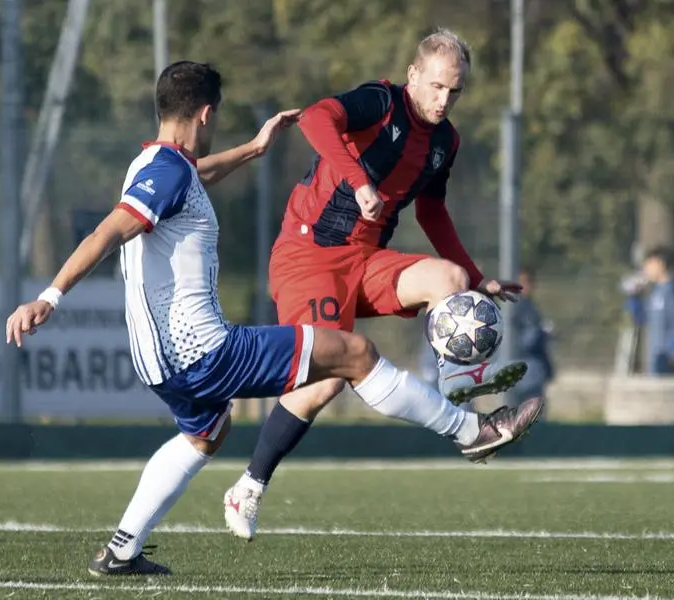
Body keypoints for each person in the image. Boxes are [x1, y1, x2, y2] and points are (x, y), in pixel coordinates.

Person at [4, 61, 544, 576]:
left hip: (158, 362)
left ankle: (123, 549)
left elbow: (193, 176)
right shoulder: (168, 173)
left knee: (206, 435)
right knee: (353, 355)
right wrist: (49, 297)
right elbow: (107, 232)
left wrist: (254, 149)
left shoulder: (154, 166)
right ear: (207, 114)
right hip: (205, 351)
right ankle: (470, 429)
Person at [223, 28, 539, 541]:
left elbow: (433, 211)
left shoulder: (445, 141)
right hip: (308, 255)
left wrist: (479, 278)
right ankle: (248, 486)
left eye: (454, 91)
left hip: (365, 260)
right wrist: (360, 181)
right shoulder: (382, 101)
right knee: (325, 380)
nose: (444, 100)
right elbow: (317, 117)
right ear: (414, 75)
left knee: (452, 280)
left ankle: (461, 395)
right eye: (436, 87)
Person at [624, 246, 674, 375]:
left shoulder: (671, 293)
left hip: (668, 360)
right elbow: (642, 318)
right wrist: (634, 297)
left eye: (649, 263)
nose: (646, 268)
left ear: (661, 264)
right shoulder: (655, 293)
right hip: (655, 359)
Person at [505, 267, 555, 407]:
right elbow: (527, 341)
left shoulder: (526, 307)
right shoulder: (522, 308)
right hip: (527, 372)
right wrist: (541, 332)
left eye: (527, 282)